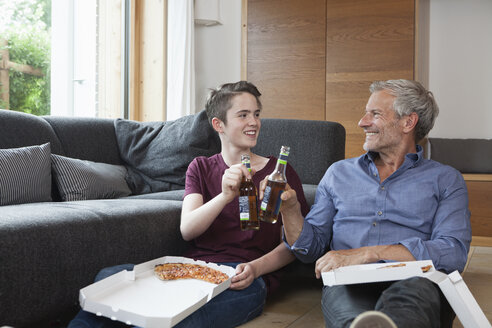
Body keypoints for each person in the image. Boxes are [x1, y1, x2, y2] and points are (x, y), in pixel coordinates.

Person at [67, 80, 309, 328]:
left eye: (256, 114)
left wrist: (255, 269)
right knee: (109, 280)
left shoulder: (279, 174)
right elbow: (188, 229)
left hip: (243, 278)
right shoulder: (201, 167)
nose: (254, 122)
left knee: (180, 320)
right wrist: (225, 195)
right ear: (218, 124)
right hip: (192, 270)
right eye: (243, 115)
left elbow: (295, 245)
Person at [272, 79, 471, 328]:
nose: (362, 122)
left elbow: (452, 252)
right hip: (349, 282)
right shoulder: (338, 174)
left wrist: (369, 254)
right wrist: (290, 211)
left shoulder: (445, 179)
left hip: (414, 282)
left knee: (410, 301)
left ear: (408, 122)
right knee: (353, 320)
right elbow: (309, 250)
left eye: (375, 114)